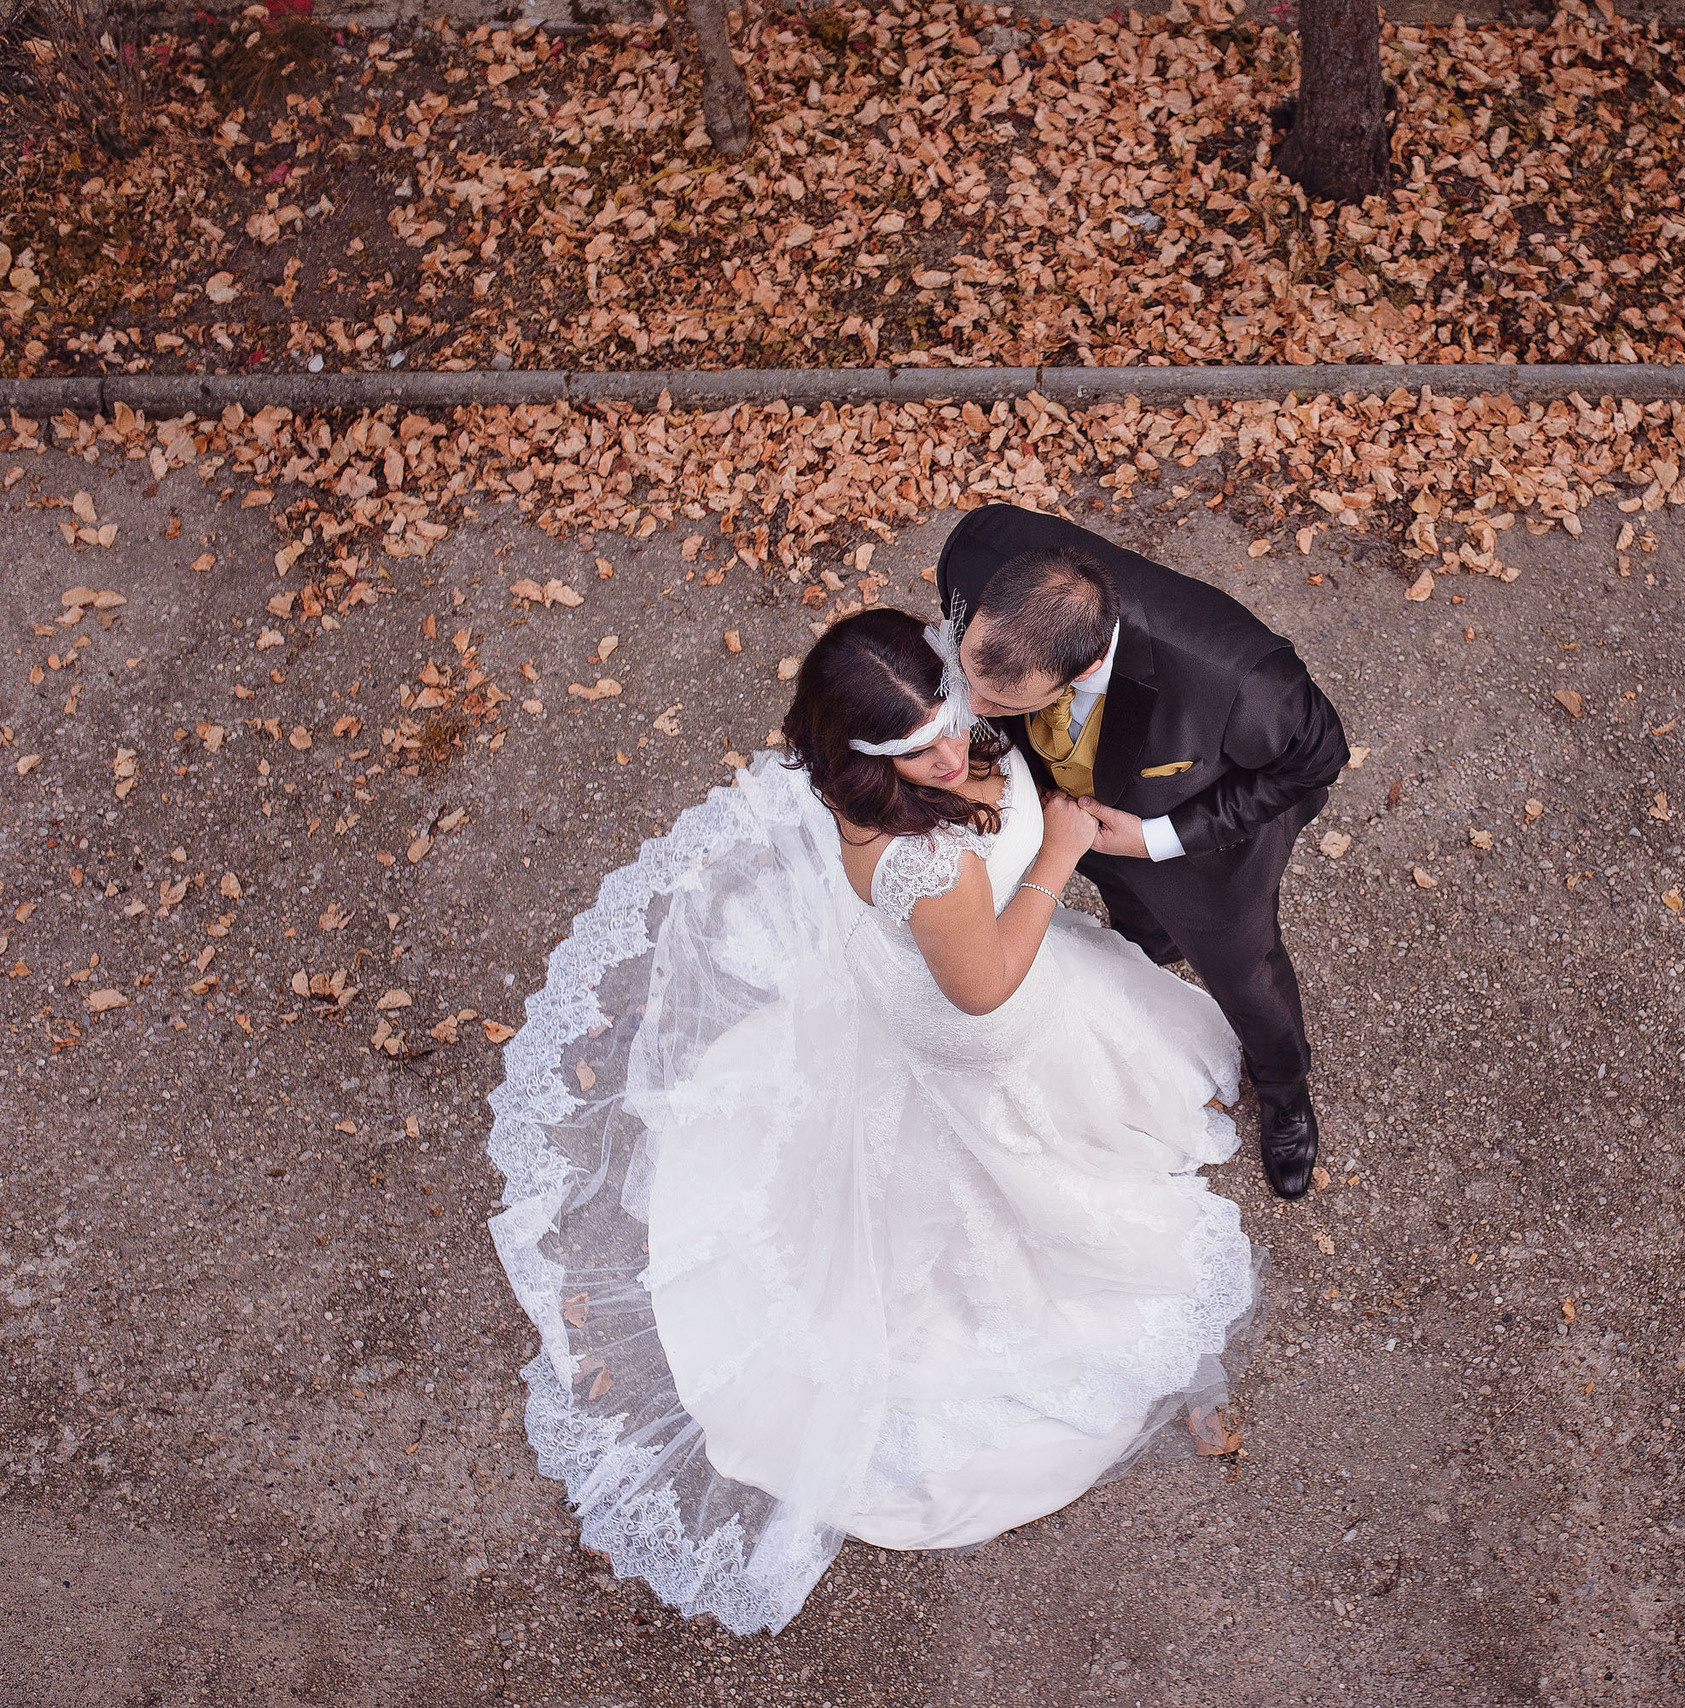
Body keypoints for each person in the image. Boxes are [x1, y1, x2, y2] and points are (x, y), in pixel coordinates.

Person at [483, 608, 1261, 1635]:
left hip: (979, 980)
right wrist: (1058, 849)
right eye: (911, 748)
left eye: (944, 715)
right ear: (862, 757)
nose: (949, 752)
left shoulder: (965, 710)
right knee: (982, 1197)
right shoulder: (920, 859)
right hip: (972, 1024)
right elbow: (982, 986)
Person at [934, 503, 1350, 1199]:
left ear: (1091, 662)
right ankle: (1145, 952)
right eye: (968, 676)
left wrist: (1160, 839)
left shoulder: (1240, 682)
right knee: (1132, 933)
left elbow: (1317, 759)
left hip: (1195, 858)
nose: (969, 706)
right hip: (1058, 817)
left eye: (1001, 701)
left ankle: (1283, 1084)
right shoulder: (974, 551)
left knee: (1245, 975)